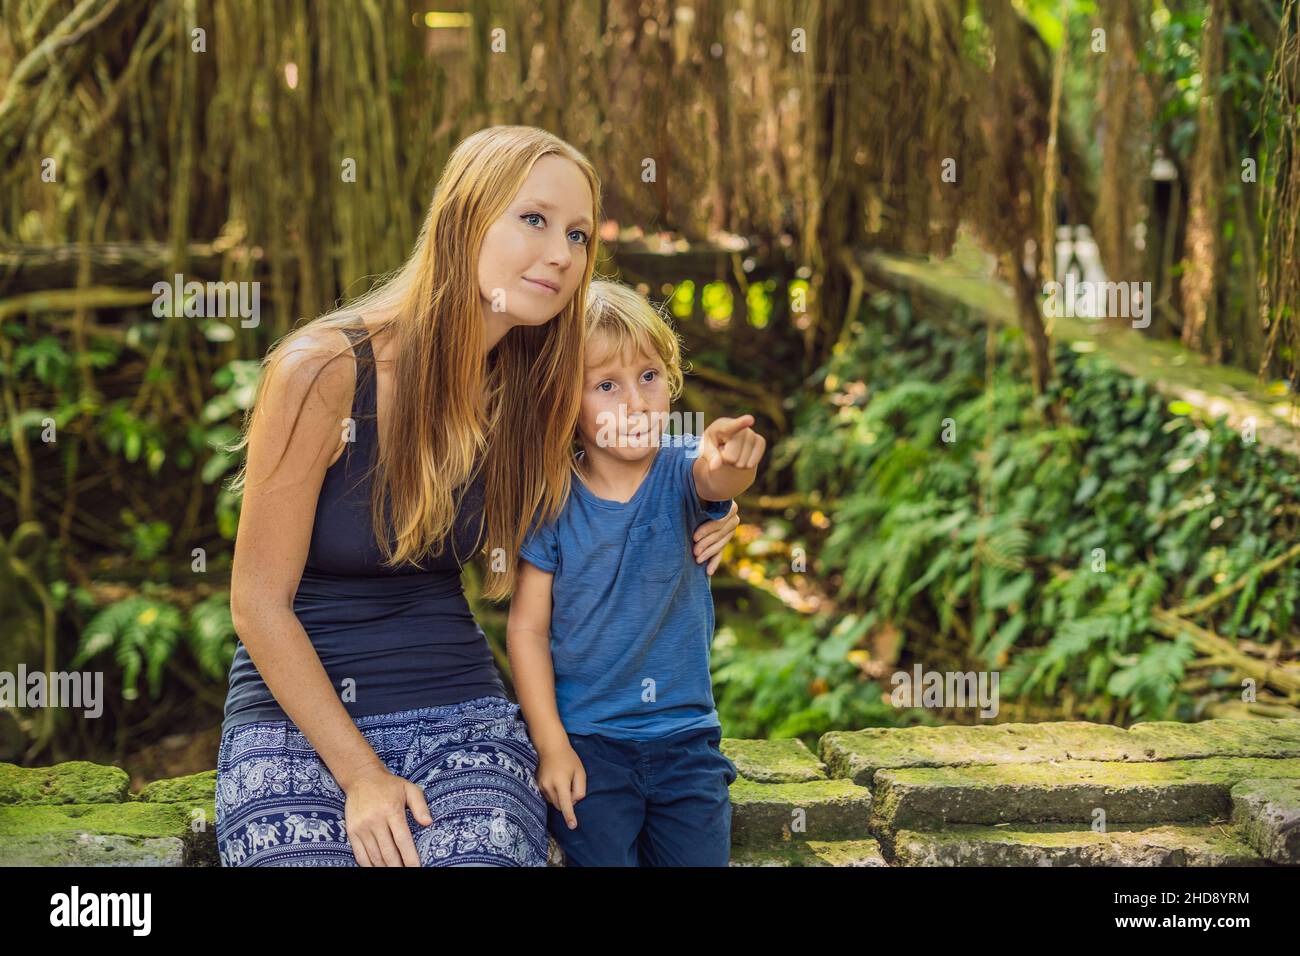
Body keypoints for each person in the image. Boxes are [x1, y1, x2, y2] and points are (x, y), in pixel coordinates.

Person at [215, 128, 740, 867]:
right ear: (465, 218)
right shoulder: (324, 370)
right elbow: (256, 604)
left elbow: (633, 474)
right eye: (534, 219)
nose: (561, 252)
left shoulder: (528, 390)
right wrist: (362, 775)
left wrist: (713, 505)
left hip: (460, 712)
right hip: (298, 724)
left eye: (579, 233)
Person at [507, 279, 765, 866]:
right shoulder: (551, 503)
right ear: (563, 404)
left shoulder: (682, 471)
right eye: (606, 385)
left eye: (649, 376)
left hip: (685, 742)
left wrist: (733, 463)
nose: (635, 401)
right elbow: (526, 630)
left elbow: (717, 480)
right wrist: (551, 745)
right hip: (590, 744)